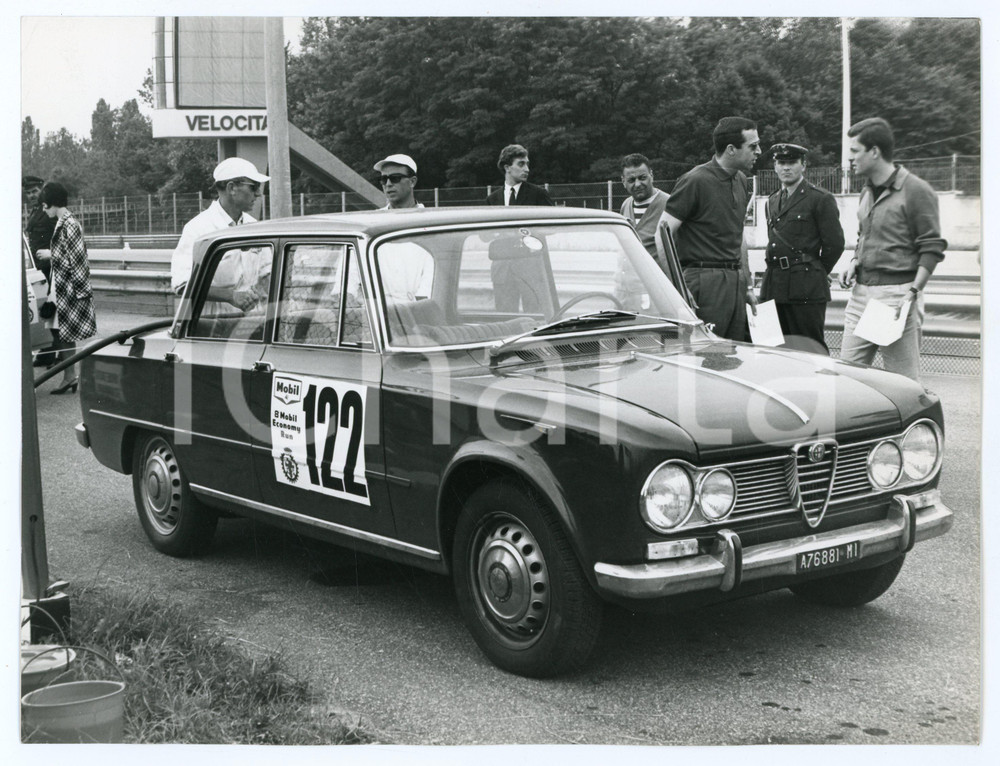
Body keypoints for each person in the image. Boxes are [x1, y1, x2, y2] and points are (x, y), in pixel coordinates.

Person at [839, 118, 946, 382]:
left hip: (895, 297)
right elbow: (864, 234)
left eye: (855, 151)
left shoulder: (916, 190)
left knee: (902, 385)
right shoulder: (866, 191)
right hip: (861, 294)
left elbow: (931, 247)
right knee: (847, 380)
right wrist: (854, 260)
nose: (850, 158)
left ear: (874, 151)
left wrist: (912, 292)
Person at [663, 117, 761, 341]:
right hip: (704, 280)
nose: (759, 151)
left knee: (734, 351)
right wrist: (677, 289)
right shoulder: (695, 180)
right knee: (707, 353)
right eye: (753, 146)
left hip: (734, 281)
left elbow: (738, 236)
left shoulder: (741, 180)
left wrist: (747, 285)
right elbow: (663, 233)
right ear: (731, 149)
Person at [760, 143, 845, 354]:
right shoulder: (772, 201)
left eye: (792, 162)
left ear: (803, 165)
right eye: (781, 162)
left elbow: (835, 244)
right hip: (772, 285)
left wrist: (815, 271)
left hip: (805, 287)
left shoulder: (820, 199)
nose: (786, 168)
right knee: (770, 349)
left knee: (809, 350)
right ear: (775, 166)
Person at [170, 156, 269, 294]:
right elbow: (182, 284)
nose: (258, 194)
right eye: (254, 187)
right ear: (232, 188)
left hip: (254, 308)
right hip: (213, 309)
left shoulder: (254, 226)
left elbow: (267, 272)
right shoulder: (198, 229)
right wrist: (230, 296)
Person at [39, 181, 97, 394]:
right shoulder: (63, 222)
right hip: (60, 285)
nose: (43, 210)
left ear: (51, 203)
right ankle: (69, 376)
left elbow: (77, 259)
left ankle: (70, 376)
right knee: (59, 332)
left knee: (63, 332)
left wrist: (50, 255)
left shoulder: (69, 224)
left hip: (68, 287)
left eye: (44, 205)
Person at [24, 175, 60, 366]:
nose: (31, 195)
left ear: (42, 190)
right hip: (39, 269)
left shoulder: (49, 211)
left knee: (53, 313)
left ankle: (60, 357)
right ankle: (47, 354)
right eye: (28, 192)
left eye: (34, 191)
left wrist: (51, 254)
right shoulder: (36, 211)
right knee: (44, 312)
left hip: (51, 268)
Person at [485, 144, 554, 206]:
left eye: (527, 164)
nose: (527, 169)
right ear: (507, 168)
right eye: (521, 164)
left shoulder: (538, 194)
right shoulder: (492, 200)